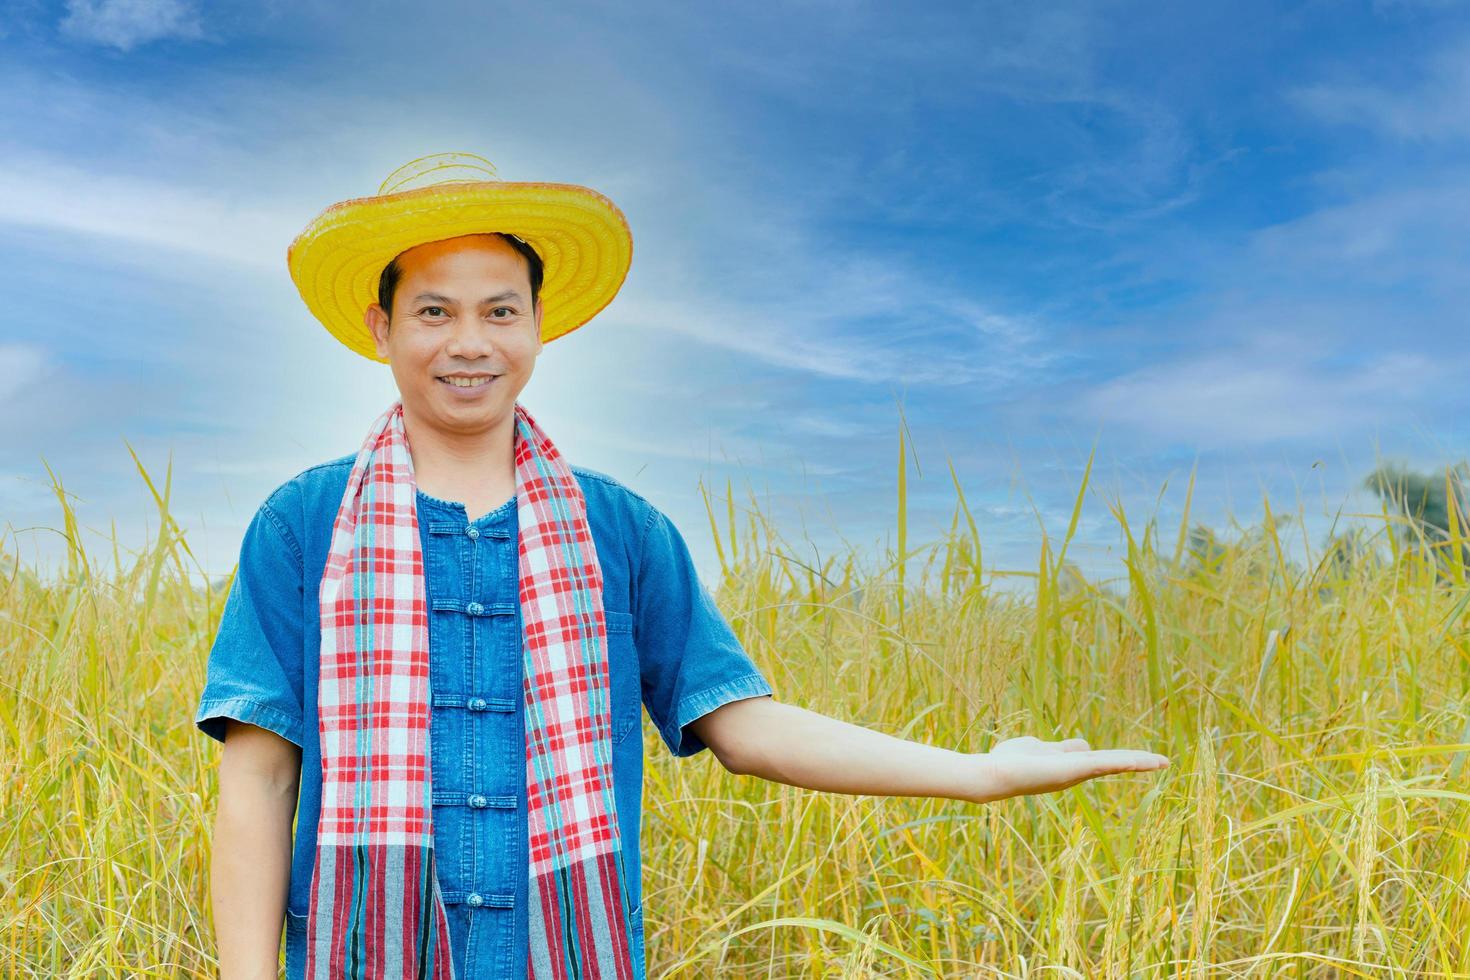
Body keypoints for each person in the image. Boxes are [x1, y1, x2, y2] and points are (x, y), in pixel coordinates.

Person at [194, 152, 1170, 980]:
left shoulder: (622, 532)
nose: (469, 342)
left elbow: (742, 723)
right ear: (383, 327)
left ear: (539, 323)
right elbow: (261, 780)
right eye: (435, 311)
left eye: (499, 310)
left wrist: (981, 772)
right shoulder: (303, 525)